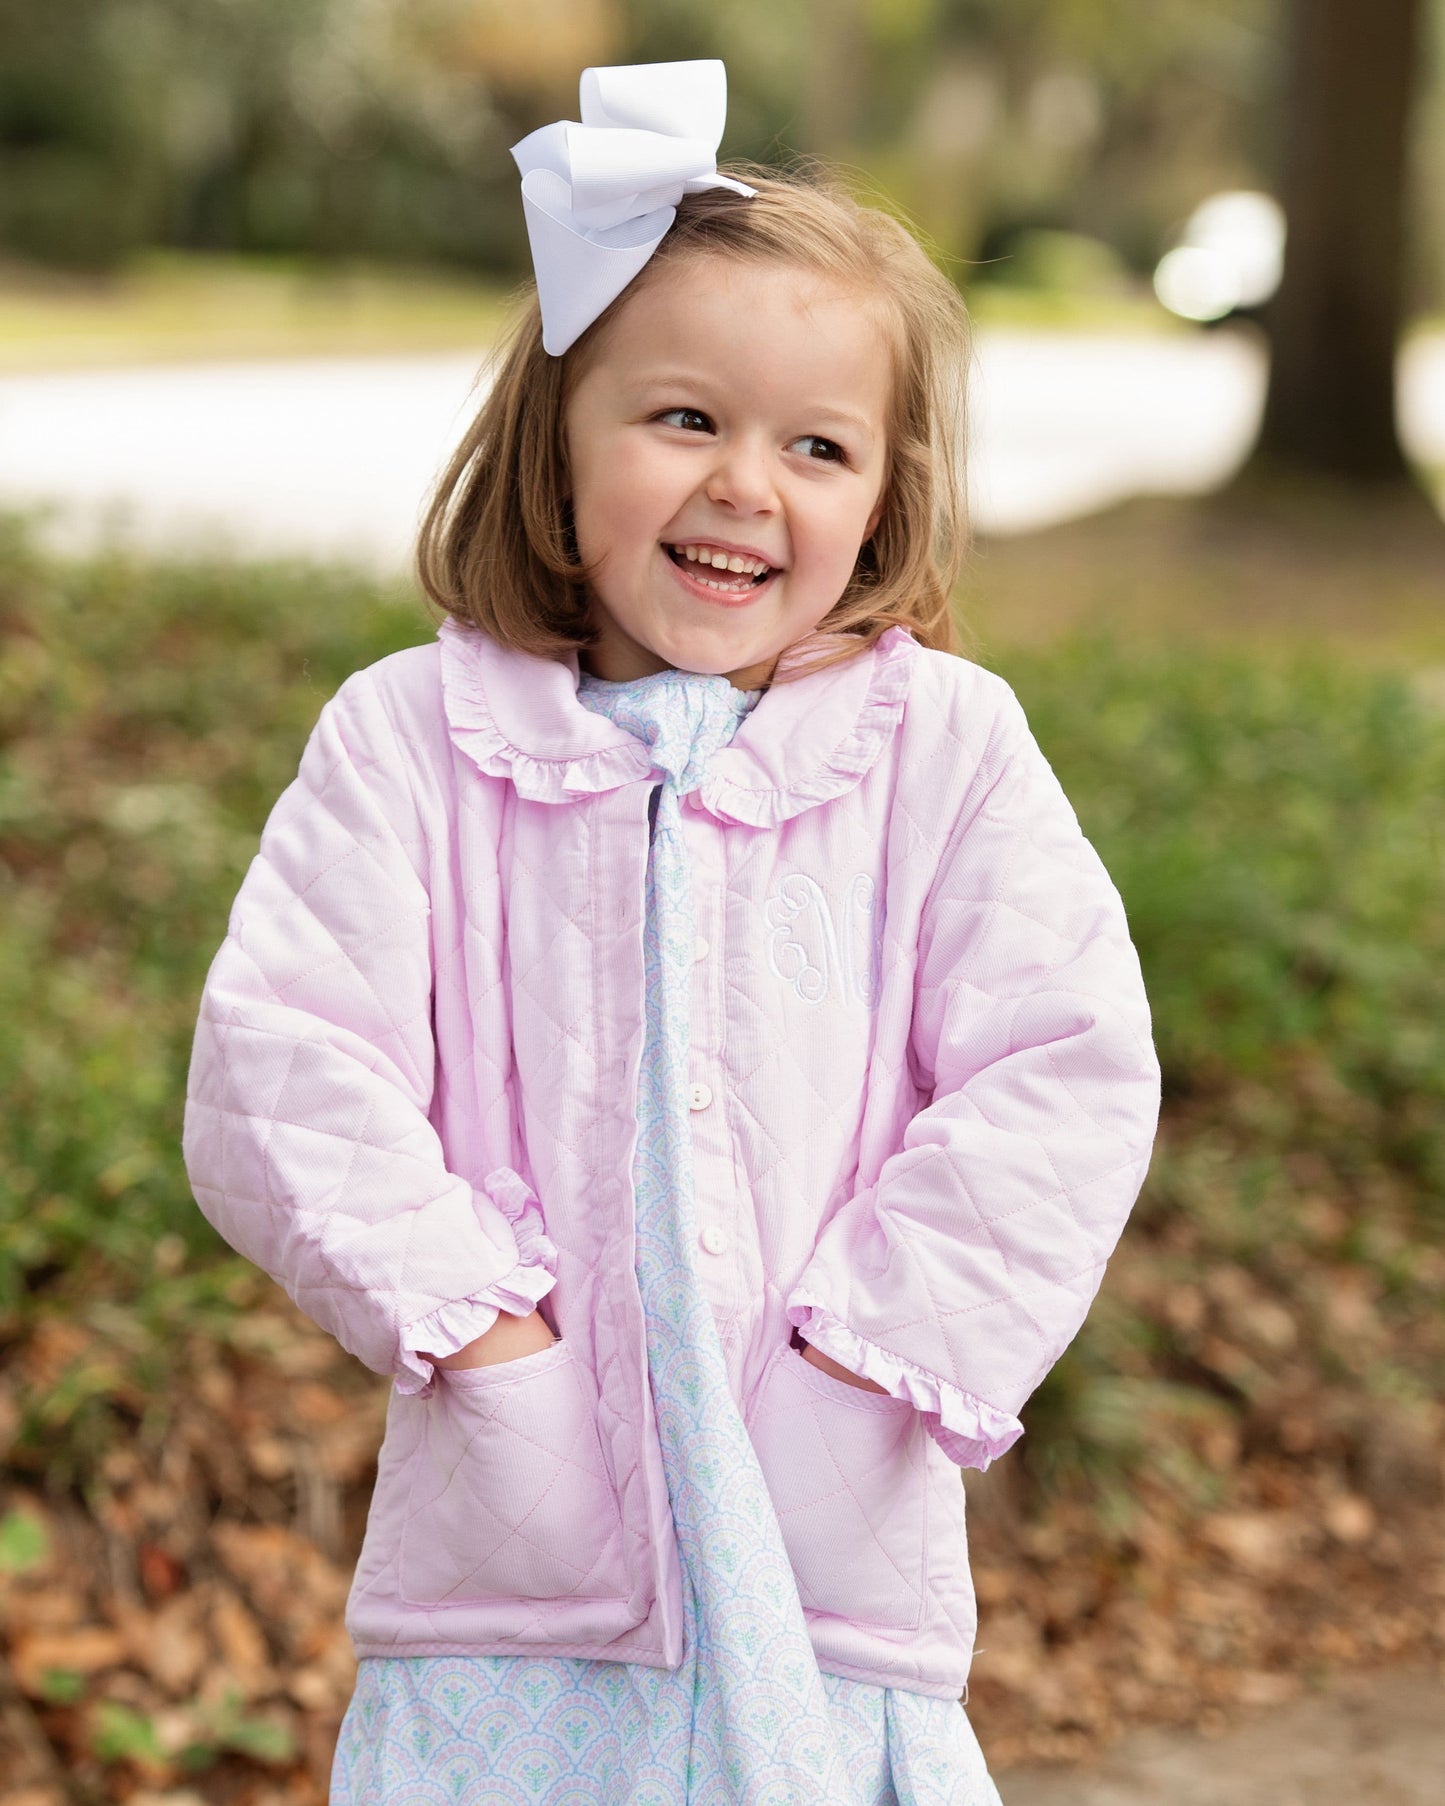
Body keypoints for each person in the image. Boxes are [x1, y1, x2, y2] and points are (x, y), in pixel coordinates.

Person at [182, 58, 1160, 1806]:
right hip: (521, 1564)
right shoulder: (410, 738)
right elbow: (282, 1066)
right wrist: (487, 1344)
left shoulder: (938, 751)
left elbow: (1063, 1069)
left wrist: (870, 1359)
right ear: (557, 447)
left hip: (825, 1538)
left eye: (816, 445)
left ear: (884, 493)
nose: (742, 486)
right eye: (682, 418)